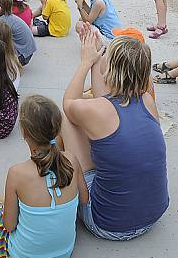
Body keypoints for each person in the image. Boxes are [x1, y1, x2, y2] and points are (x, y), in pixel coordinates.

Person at [61, 29, 169, 240]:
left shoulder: (99, 111)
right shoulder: (147, 100)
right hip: (153, 216)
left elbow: (68, 105)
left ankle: (57, 180)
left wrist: (85, 62)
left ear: (111, 69)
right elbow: (105, 98)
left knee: (66, 119)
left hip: (109, 224)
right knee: (93, 125)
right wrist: (96, 56)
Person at [0, 94, 87, 258]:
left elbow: (9, 226)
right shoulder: (71, 160)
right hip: (64, 253)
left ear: (24, 132)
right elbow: (84, 199)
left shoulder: (17, 173)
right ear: (58, 128)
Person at [0, 0, 37, 65]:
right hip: (26, 52)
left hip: (21, 56)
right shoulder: (7, 17)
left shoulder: (1, 23)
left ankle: (12, 68)